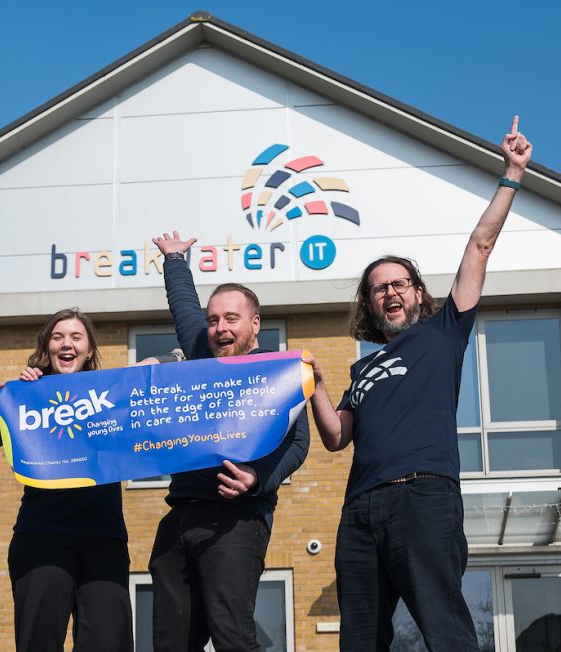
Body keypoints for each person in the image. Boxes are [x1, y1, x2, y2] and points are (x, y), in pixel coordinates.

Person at [301, 116, 533, 651]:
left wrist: (511, 174)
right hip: (359, 510)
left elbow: (479, 247)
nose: (390, 293)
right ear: (370, 303)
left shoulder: (443, 332)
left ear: (417, 292)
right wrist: (315, 384)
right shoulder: (362, 370)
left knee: (445, 629)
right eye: (379, 288)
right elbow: (337, 437)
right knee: (360, 639)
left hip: (423, 498)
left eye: (399, 283)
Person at [146, 234, 311, 652]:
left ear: (254, 324)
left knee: (232, 637)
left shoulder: (277, 373)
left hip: (236, 521)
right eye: (215, 319)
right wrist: (175, 259)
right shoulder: (202, 352)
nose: (221, 328)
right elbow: (184, 307)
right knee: (170, 643)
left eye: (232, 318)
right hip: (179, 517)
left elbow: (298, 445)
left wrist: (257, 478)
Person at [0, 308, 133, 652]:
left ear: (90, 350)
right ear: (47, 348)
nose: (66, 344)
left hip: (105, 538)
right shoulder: (28, 395)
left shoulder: (113, 396)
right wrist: (3, 404)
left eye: (76, 337)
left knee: (107, 642)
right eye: (58, 337)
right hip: (42, 535)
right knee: (38, 641)